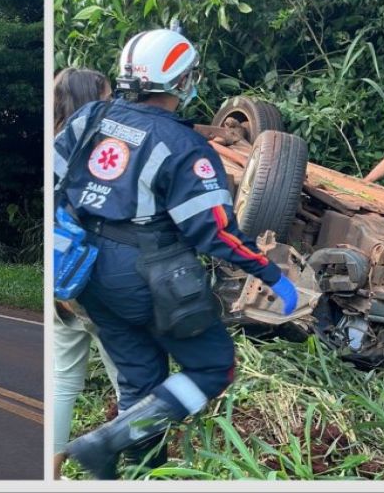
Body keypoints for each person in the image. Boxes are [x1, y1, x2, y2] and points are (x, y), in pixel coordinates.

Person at [55, 28, 297, 479]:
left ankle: (140, 474)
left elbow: (51, 187)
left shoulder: (90, 118)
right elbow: (215, 231)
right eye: (190, 76)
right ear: (179, 81)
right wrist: (267, 270)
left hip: (84, 270)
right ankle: (105, 442)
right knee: (211, 367)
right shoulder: (184, 147)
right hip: (151, 276)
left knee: (139, 381)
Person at [51, 67, 123, 479]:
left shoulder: (54, 146)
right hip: (98, 284)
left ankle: (52, 475)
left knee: (62, 382)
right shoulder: (106, 152)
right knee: (130, 382)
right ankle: (142, 469)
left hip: (60, 283)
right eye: (108, 96)